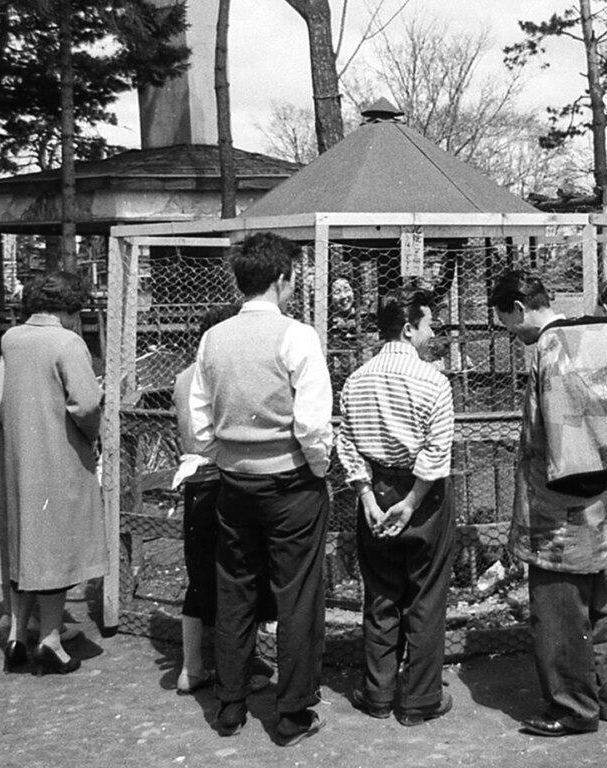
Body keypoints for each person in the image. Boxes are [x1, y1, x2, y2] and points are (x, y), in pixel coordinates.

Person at [489, 270, 607, 738]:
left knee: (558, 611)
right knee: (594, 601)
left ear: (520, 308)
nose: (510, 331)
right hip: (604, 495)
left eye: (506, 321)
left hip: (559, 508)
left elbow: (554, 431)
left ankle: (572, 707)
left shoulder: (549, 348)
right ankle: (603, 695)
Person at [189, 231, 334, 746]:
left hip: (234, 482)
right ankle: (292, 712)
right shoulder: (298, 336)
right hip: (291, 481)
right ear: (282, 278)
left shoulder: (213, 338)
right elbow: (312, 424)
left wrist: (227, 455)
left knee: (235, 588)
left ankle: (230, 704)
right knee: (297, 595)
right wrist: (318, 468)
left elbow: (200, 421)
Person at [336, 287, 456, 727]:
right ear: (408, 328)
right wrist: (412, 502)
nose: (432, 333)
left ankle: (378, 692)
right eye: (427, 325)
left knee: (381, 591)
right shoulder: (433, 381)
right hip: (422, 496)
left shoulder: (356, 380)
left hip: (376, 489)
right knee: (426, 594)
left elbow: (347, 443)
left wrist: (367, 496)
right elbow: (437, 450)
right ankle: (421, 698)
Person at [0, 271, 106, 675]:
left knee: (26, 544)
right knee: (57, 548)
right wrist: (94, 434)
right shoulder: (67, 342)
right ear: (69, 310)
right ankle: (51, 640)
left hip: (20, 457)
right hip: (59, 456)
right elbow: (86, 404)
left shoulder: (13, 339)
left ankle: (18, 634)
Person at [171, 304, 275, 697]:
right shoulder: (225, 373)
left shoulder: (183, 377)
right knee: (239, 573)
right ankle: (239, 668)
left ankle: (191, 667)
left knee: (199, 577)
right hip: (225, 478)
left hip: (194, 481)